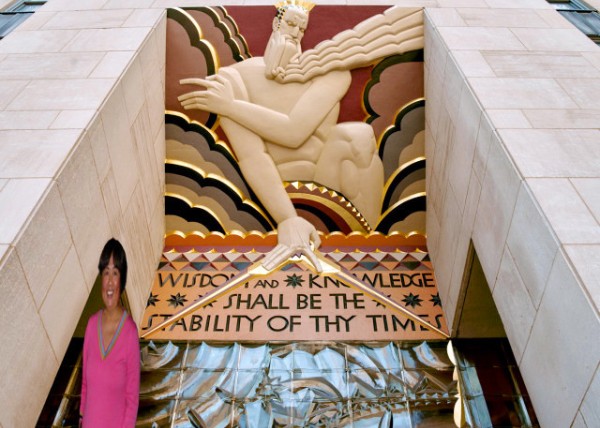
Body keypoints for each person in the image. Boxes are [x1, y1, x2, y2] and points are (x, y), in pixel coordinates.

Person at [178, 2, 384, 272]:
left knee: (358, 135)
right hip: (268, 189)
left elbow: (293, 132)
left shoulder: (330, 72)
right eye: (290, 24)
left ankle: (368, 249)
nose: (296, 33)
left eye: (302, 28)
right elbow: (252, 155)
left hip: (328, 177)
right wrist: (287, 218)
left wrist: (229, 107)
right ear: (276, 24)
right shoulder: (234, 78)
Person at [80, 238, 140, 427]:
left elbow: (132, 399)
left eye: (115, 272)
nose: (111, 281)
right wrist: (81, 417)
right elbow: (85, 385)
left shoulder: (129, 332)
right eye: (106, 272)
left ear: (122, 280)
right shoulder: (91, 325)